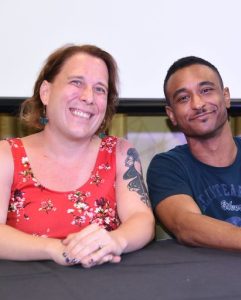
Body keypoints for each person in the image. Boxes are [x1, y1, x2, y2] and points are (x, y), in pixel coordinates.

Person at [0, 44, 154, 268]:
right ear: (46, 92)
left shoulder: (120, 152)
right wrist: (55, 249)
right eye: (76, 82)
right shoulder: (6, 155)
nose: (88, 97)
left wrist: (117, 241)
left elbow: (142, 220)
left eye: (100, 89)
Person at [146, 56, 241, 261]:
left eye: (206, 90)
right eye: (183, 98)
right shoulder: (167, 167)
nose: (198, 104)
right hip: (205, 284)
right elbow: (186, 225)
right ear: (171, 114)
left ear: (226, 96)